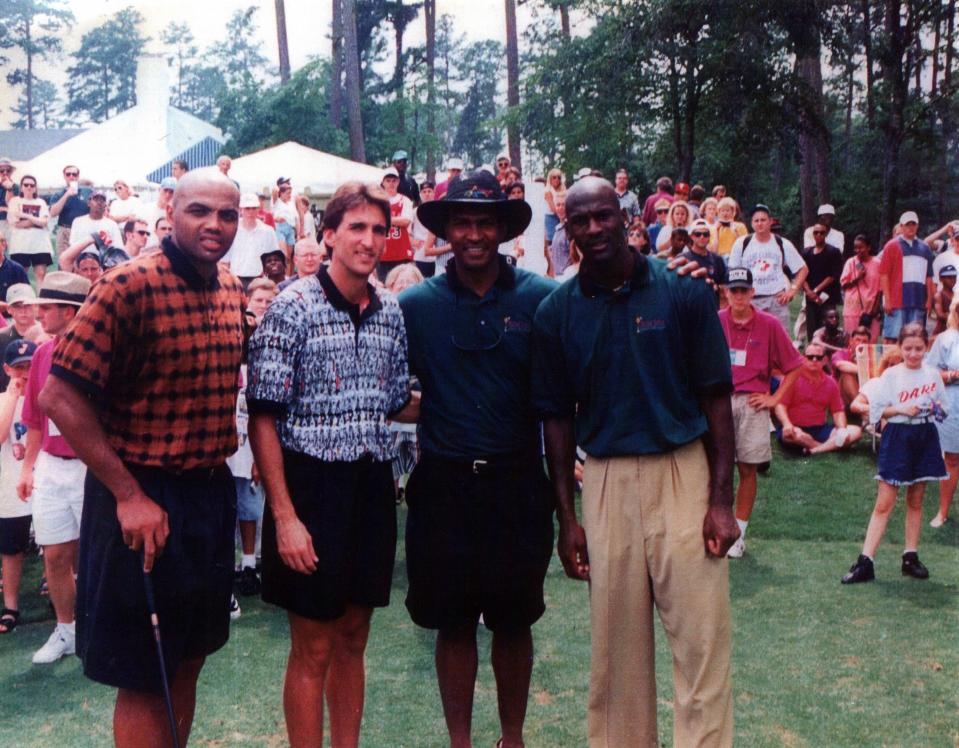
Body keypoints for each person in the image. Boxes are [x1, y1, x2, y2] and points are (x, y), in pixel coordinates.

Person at [38, 169, 246, 746]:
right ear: (170, 209)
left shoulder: (229, 288)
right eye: (200, 211)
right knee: (144, 672)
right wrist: (128, 495)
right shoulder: (126, 285)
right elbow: (57, 395)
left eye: (227, 215)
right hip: (138, 496)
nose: (214, 225)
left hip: (207, 496)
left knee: (189, 658)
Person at [533, 176, 737, 747]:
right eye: (580, 221)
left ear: (625, 218)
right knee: (616, 658)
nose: (593, 228)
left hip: (683, 471)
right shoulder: (557, 311)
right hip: (604, 479)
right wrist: (566, 518)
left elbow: (717, 399)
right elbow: (555, 420)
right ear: (567, 230)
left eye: (603, 216)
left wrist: (721, 500)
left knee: (701, 645)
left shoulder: (683, 292)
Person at [246, 181, 415, 748]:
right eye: (356, 228)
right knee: (313, 645)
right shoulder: (291, 307)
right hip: (310, 488)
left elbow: (396, 400)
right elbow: (263, 417)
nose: (368, 240)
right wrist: (286, 515)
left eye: (377, 229)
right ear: (329, 234)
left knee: (354, 638)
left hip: (371, 485)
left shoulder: (390, 310)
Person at [400, 170, 556, 748]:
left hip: (517, 482)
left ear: (502, 230)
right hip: (444, 485)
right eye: (461, 222)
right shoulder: (417, 304)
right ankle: (460, 740)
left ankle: (511, 737)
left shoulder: (540, 298)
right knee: (454, 620)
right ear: (446, 230)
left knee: (515, 620)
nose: (472, 234)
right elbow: (392, 387)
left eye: (484, 222)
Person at [14, 273, 91, 665]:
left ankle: (102, 632)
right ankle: (68, 631)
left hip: (91, 469)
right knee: (55, 556)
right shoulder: (42, 354)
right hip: (51, 467)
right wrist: (28, 469)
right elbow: (35, 421)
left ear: (70, 311)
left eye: (46, 307)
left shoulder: (99, 354)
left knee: (98, 557)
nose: (37, 313)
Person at [841, 323, 946, 584]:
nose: (913, 354)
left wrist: (934, 408)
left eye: (919, 349)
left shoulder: (932, 375)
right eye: (908, 348)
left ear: (926, 348)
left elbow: (942, 408)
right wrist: (900, 410)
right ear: (899, 347)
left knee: (917, 499)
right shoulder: (891, 376)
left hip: (924, 435)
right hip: (897, 435)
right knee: (885, 502)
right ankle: (866, 561)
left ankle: (910, 557)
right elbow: (875, 412)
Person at [718, 267, 804, 558]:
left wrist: (774, 398)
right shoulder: (716, 322)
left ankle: (739, 534)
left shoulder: (768, 324)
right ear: (726, 292)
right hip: (719, 402)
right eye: (734, 290)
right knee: (718, 470)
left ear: (753, 292)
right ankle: (719, 527)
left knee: (747, 468)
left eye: (744, 290)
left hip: (753, 402)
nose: (739, 296)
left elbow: (794, 366)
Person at [0, 338, 36, 634]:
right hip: (12, 486)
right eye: (19, 368)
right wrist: (12, 396)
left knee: (58, 546)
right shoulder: (3, 399)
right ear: (8, 369)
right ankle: (11, 605)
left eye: (30, 366)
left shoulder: (46, 393)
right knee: (12, 549)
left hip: (43, 480)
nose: (25, 373)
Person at [728, 204, 808, 332]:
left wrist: (792, 290)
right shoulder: (742, 243)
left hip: (777, 301)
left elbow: (803, 269)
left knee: (780, 341)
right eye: (756, 220)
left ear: (770, 221)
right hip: (751, 300)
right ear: (752, 223)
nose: (760, 223)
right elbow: (732, 272)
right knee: (752, 340)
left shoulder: (782, 243)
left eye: (763, 220)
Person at [775, 342, 862, 454]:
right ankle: (828, 447)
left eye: (818, 357)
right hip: (794, 427)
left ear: (825, 360)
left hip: (820, 429)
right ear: (803, 358)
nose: (814, 360)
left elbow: (838, 411)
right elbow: (780, 405)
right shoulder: (792, 379)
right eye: (810, 357)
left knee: (856, 431)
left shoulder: (830, 383)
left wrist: (841, 429)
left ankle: (814, 450)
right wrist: (787, 424)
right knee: (796, 435)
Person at [926, 296, 959, 528]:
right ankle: (943, 511)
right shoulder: (945, 339)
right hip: (953, 404)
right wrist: (953, 375)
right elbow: (931, 373)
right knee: (953, 458)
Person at [879, 210, 935, 342]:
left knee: (916, 337)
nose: (910, 227)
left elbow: (929, 277)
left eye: (913, 224)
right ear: (901, 226)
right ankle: (892, 363)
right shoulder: (891, 246)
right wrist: (887, 299)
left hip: (918, 301)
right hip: (896, 301)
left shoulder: (925, 248)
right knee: (893, 338)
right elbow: (884, 274)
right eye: (907, 224)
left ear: (917, 225)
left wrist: (929, 300)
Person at [223, 194, 281, 290]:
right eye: (247, 208)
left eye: (254, 208)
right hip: (235, 280)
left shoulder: (268, 231)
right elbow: (224, 261)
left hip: (259, 281)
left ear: (258, 209)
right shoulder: (231, 230)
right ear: (241, 210)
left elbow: (274, 259)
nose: (250, 212)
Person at [59, 192, 125, 273]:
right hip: (82, 265)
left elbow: (118, 248)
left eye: (102, 200)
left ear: (105, 205)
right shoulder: (78, 221)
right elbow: (73, 246)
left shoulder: (112, 224)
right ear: (89, 203)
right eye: (96, 199)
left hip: (103, 266)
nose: (99, 202)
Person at [801, 223, 844, 340]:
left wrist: (816, 290)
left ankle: (829, 350)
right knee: (812, 326)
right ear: (812, 235)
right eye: (816, 232)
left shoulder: (833, 252)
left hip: (827, 296)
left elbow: (833, 275)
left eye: (822, 232)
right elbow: (802, 274)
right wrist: (809, 292)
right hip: (810, 297)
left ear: (826, 235)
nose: (818, 235)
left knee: (828, 325)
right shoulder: (806, 253)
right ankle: (813, 351)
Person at [8, 175, 52, 281]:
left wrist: (26, 216)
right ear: (21, 187)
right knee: (20, 275)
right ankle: (21, 297)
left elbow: (44, 222)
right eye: (26, 185)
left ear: (35, 188)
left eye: (32, 185)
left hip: (40, 244)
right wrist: (36, 221)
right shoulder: (14, 201)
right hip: (20, 245)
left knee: (41, 274)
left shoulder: (41, 202)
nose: (29, 187)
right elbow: (16, 224)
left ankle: (40, 298)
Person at [840, 234, 881, 341]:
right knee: (852, 340)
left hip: (871, 309)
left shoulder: (877, 263)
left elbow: (880, 289)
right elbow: (844, 285)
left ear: (868, 247)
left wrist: (875, 309)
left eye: (861, 247)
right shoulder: (851, 262)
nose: (858, 250)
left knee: (871, 341)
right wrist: (857, 278)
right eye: (856, 248)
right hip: (852, 309)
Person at [0, 284, 40, 392]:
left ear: (36, 306)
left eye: (27, 305)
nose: (23, 311)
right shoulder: (2, 337)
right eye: (17, 306)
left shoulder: (46, 336)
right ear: (9, 309)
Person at [47, 165, 91, 257]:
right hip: (65, 230)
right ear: (64, 176)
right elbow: (53, 213)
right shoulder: (58, 194)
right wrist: (67, 194)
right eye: (68, 174)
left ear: (78, 176)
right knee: (64, 261)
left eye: (74, 174)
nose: (71, 176)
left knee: (83, 260)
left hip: (83, 230)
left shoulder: (88, 191)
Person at [380, 167, 414, 282]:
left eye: (394, 180)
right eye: (388, 180)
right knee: (383, 285)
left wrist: (385, 219)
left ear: (398, 182)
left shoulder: (405, 200)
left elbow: (406, 221)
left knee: (401, 284)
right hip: (383, 253)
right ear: (383, 182)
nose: (391, 183)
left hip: (401, 252)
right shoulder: (378, 200)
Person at [831, 325, 872, 408]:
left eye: (864, 341)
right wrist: (869, 370)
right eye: (858, 340)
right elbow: (840, 365)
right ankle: (863, 413)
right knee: (847, 374)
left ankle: (865, 408)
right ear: (851, 341)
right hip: (843, 398)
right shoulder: (842, 353)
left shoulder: (871, 356)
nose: (861, 344)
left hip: (865, 395)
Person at [681, 218, 727, 290]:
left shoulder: (717, 259)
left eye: (705, 234)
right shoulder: (682, 258)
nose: (702, 237)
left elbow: (724, 285)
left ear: (709, 236)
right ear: (691, 236)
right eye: (698, 234)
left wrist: (716, 286)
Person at [410, 181, 437, 278]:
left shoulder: (439, 210)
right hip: (420, 255)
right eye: (424, 191)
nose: (427, 194)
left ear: (434, 192)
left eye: (429, 191)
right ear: (420, 194)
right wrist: (413, 241)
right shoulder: (414, 212)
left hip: (437, 255)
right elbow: (407, 231)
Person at [0, 236, 29, 312]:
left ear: (3, 245)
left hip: (12, 317)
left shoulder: (16, 269)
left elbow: (27, 298)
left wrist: (8, 306)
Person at [273, 177, 298, 263]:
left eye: (290, 193)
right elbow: (274, 190)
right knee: (284, 255)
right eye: (287, 193)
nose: (290, 195)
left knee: (289, 257)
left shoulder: (291, 203)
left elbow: (295, 218)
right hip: (280, 229)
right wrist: (283, 185)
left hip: (290, 229)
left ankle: (288, 276)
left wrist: (298, 233)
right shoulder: (276, 202)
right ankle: (283, 276)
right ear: (282, 193)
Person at [549, 194, 572, 276]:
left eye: (564, 205)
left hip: (566, 276)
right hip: (557, 276)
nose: (561, 208)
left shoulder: (570, 229)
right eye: (558, 205)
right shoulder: (558, 228)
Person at [543, 167, 566, 243]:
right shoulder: (548, 191)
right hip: (551, 217)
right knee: (553, 239)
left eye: (559, 177)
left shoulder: (562, 190)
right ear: (550, 179)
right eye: (554, 177)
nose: (557, 179)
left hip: (560, 215)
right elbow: (553, 208)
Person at [933, 265, 957, 337]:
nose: (952, 280)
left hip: (955, 328)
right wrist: (955, 316)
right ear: (941, 279)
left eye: (954, 277)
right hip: (942, 330)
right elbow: (940, 314)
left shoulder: (956, 295)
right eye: (949, 277)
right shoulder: (939, 295)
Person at [0, 157, 18, 241]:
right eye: (2, 171)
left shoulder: (17, 187)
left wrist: (9, 188)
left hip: (12, 223)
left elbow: (16, 207)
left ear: (11, 172)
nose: (5, 173)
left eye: (8, 170)